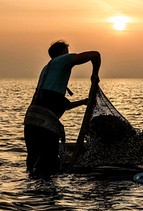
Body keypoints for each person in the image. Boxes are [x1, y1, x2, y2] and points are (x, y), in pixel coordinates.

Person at [24, 40, 101, 178]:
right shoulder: (63, 60)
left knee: (33, 163)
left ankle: (32, 195)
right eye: (67, 50)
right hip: (45, 126)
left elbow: (58, 105)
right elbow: (95, 55)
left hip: (30, 122)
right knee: (50, 164)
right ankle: (49, 196)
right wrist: (94, 74)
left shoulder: (46, 69)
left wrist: (83, 102)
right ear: (64, 52)